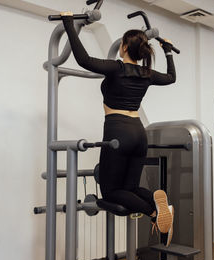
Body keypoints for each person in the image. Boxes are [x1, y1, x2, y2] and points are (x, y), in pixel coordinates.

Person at [61, 12, 176, 246]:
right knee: (131, 187)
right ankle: (158, 205)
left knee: (111, 192)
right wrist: (168, 50)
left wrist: (68, 25)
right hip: (139, 132)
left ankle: (153, 212)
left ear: (123, 47)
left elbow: (83, 59)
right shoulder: (147, 74)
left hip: (118, 132)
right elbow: (172, 77)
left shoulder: (117, 68)